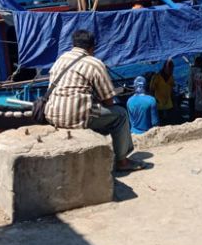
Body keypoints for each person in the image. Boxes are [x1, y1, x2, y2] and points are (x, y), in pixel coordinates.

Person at [44, 30, 143, 172]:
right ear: (92, 47)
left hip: (52, 114)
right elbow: (108, 101)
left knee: (97, 111)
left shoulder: (61, 59)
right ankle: (122, 161)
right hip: (75, 116)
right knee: (120, 115)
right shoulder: (95, 63)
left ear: (74, 44)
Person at [150, 59, 175, 124]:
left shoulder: (171, 76)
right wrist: (154, 100)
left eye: (172, 69)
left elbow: (172, 88)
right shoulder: (156, 77)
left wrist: (174, 100)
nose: (171, 71)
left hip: (169, 104)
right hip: (159, 104)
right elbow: (152, 90)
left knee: (170, 122)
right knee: (161, 122)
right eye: (170, 69)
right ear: (165, 68)